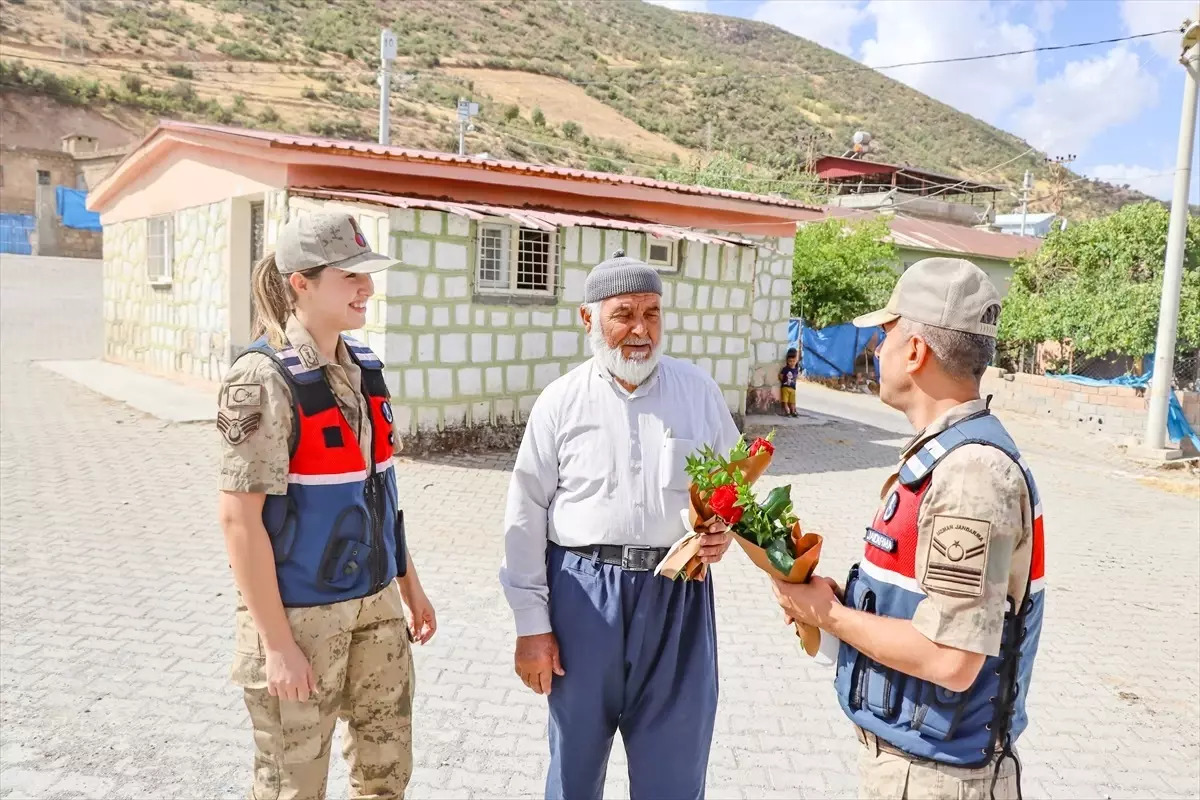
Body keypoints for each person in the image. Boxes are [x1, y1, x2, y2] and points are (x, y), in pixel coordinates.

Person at [771, 257, 1044, 800]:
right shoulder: (947, 456)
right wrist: (845, 599)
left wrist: (824, 613)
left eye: (887, 334)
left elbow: (951, 658)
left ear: (916, 351)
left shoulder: (971, 475)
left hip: (936, 779)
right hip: (915, 767)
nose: (877, 349)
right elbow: (932, 605)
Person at [499, 249, 742, 800]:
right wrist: (531, 626)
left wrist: (722, 528)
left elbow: (733, 488)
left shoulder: (697, 392)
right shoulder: (560, 401)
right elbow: (524, 515)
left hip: (677, 594)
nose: (640, 330)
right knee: (574, 770)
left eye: (652, 314)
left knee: (674, 770)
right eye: (624, 314)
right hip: (582, 596)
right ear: (589, 319)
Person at [217, 210, 437, 800]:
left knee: (386, 772)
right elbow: (239, 521)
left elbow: (379, 495)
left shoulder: (365, 371)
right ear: (301, 283)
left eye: (368, 275)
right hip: (299, 616)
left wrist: (409, 584)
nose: (367, 287)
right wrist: (278, 647)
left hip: (376, 605)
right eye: (351, 276)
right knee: (295, 783)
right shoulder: (263, 379)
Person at [779, 347, 800, 417]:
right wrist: (783, 380)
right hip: (785, 387)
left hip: (793, 388)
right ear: (787, 361)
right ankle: (787, 410)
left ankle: (793, 410)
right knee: (785, 400)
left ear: (796, 360)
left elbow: (796, 377)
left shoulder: (796, 369)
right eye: (790, 361)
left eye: (793, 361)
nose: (792, 363)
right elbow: (781, 376)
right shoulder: (785, 369)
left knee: (792, 401)